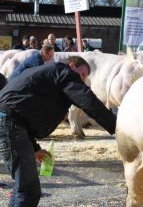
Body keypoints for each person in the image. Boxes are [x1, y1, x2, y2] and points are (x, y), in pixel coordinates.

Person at [0, 56, 116, 206]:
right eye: (82, 74)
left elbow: (22, 112)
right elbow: (88, 100)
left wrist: (35, 149)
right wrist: (117, 127)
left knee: (24, 188)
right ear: (72, 65)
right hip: (10, 124)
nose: (82, 79)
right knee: (28, 190)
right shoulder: (63, 72)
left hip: (11, 124)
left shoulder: (48, 75)